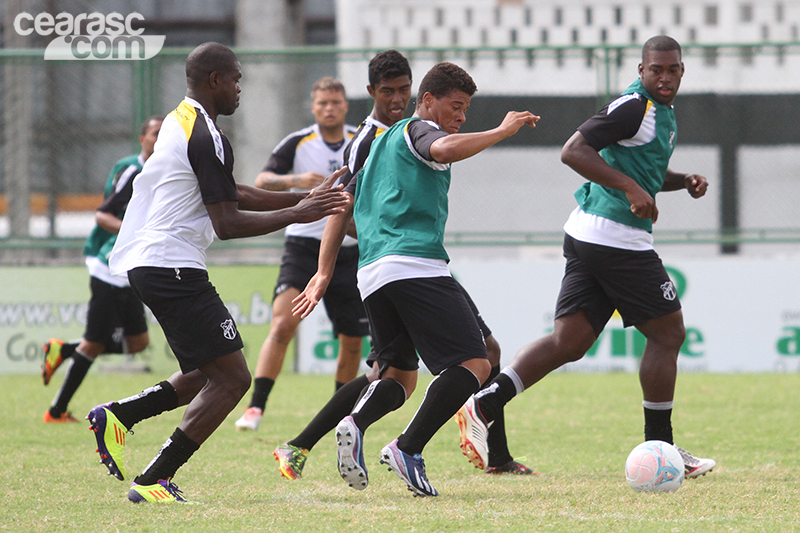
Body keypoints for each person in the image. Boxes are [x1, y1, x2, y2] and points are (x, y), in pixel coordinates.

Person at [86, 42, 348, 504]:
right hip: (172, 265)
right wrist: (300, 214)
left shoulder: (179, 120)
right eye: (235, 79)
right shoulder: (206, 135)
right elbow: (226, 223)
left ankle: (119, 416)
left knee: (206, 370)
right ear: (214, 81)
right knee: (231, 379)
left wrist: (302, 201)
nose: (239, 89)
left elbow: (234, 192)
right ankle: (153, 480)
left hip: (159, 262)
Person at [455, 35, 716, 480]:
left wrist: (680, 180)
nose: (665, 77)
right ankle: (662, 447)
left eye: (673, 70)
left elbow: (642, 169)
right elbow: (573, 151)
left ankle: (485, 401)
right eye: (656, 70)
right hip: (616, 238)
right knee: (669, 333)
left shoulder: (662, 114)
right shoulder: (634, 106)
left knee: (569, 341)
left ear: (682, 71)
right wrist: (630, 189)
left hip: (589, 234)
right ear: (641, 71)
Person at [274, 50, 533, 481]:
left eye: (402, 89)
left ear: (415, 90)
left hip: (377, 269)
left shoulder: (388, 136)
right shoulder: (405, 132)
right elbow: (343, 206)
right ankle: (414, 445)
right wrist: (501, 130)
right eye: (458, 107)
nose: (397, 97)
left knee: (398, 375)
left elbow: (353, 198)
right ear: (376, 92)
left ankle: (339, 431)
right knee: (477, 359)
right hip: (412, 261)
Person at [233, 77, 368, 432]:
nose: (329, 108)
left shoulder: (362, 139)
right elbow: (263, 180)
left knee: (353, 339)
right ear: (313, 106)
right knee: (282, 323)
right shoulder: (298, 141)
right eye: (322, 102)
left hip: (347, 247)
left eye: (335, 102)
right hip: (303, 247)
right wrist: (295, 180)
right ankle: (255, 408)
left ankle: (341, 414)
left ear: (345, 105)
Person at [41, 115, 162, 424]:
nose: (160, 139)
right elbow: (102, 215)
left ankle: (64, 349)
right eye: (155, 134)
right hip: (108, 266)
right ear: (142, 139)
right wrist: (133, 231)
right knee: (93, 343)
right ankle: (56, 411)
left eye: (165, 134)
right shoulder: (133, 170)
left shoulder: (164, 170)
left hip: (131, 267)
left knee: (139, 344)